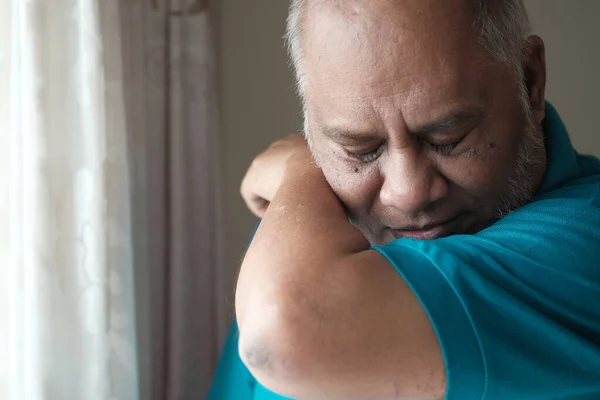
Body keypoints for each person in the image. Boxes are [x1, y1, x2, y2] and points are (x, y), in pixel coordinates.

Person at [210, 0, 600, 399]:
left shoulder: (588, 242)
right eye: (360, 150)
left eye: (446, 139)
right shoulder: (304, 230)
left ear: (530, 80)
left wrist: (296, 166)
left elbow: (280, 335)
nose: (408, 193)